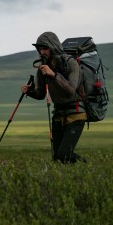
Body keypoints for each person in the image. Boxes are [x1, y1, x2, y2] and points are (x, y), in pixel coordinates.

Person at [21, 31, 87, 163]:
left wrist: (54, 75)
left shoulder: (71, 64)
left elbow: (70, 89)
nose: (41, 52)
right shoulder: (42, 69)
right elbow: (41, 95)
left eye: (45, 48)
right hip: (58, 115)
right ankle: (70, 180)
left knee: (64, 154)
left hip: (76, 114)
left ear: (53, 46)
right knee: (57, 158)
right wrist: (30, 91)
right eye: (39, 49)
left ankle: (86, 167)